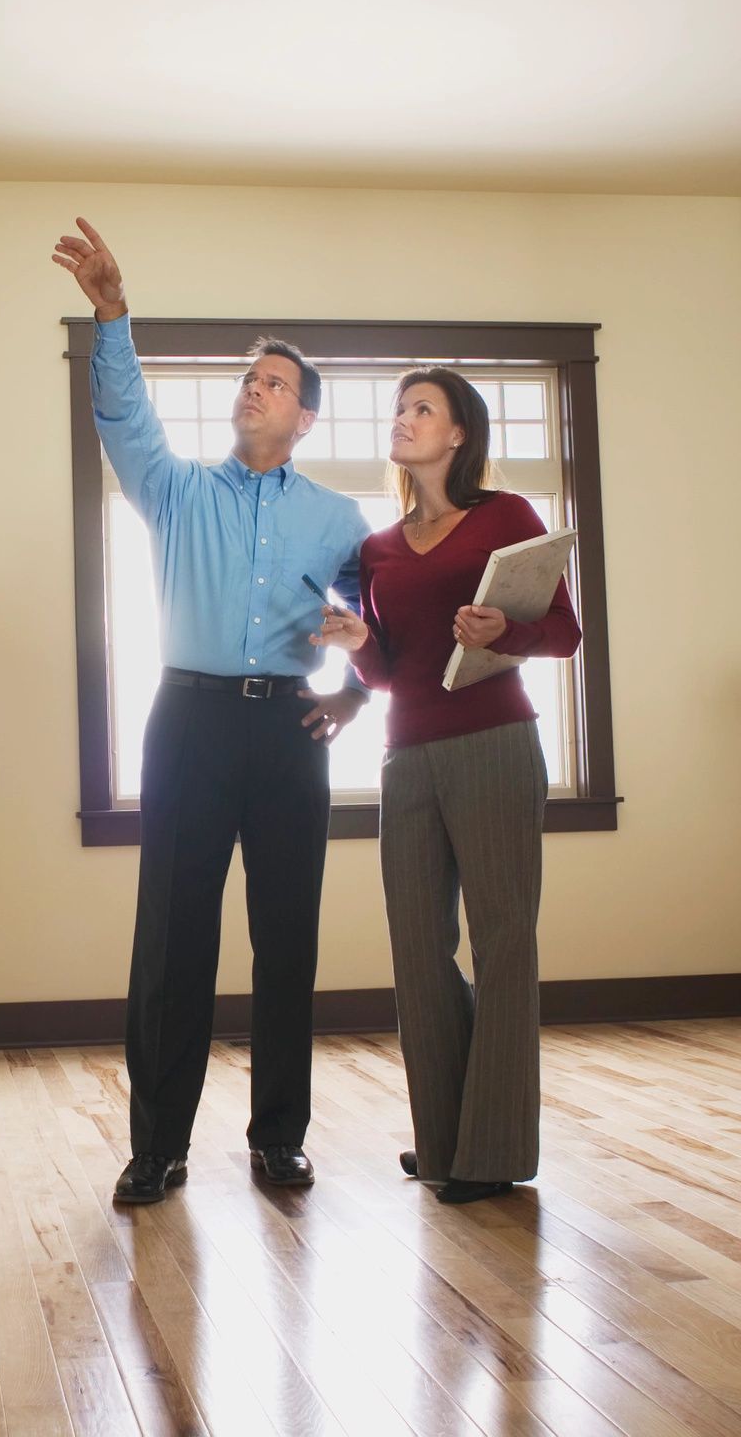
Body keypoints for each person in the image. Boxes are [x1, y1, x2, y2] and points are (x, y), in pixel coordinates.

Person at [52, 218, 371, 1205]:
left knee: (286, 942)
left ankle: (278, 1138)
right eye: (248, 378)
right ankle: (158, 1147)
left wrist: (350, 694)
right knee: (172, 942)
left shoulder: (339, 519)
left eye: (272, 382)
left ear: (305, 417)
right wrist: (112, 314)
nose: (253, 388)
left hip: (287, 730)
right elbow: (123, 419)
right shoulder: (179, 492)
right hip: (186, 723)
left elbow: (377, 628)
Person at [312, 368, 580, 1204]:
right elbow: (391, 672)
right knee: (419, 949)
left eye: (421, 408)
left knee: (504, 943)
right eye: (399, 409)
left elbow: (565, 633)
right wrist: (358, 642)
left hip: (496, 741)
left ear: (459, 433)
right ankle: (445, 1142)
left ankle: (491, 1152)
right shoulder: (379, 550)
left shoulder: (506, 518)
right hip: (408, 755)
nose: (404, 419)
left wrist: (509, 628)